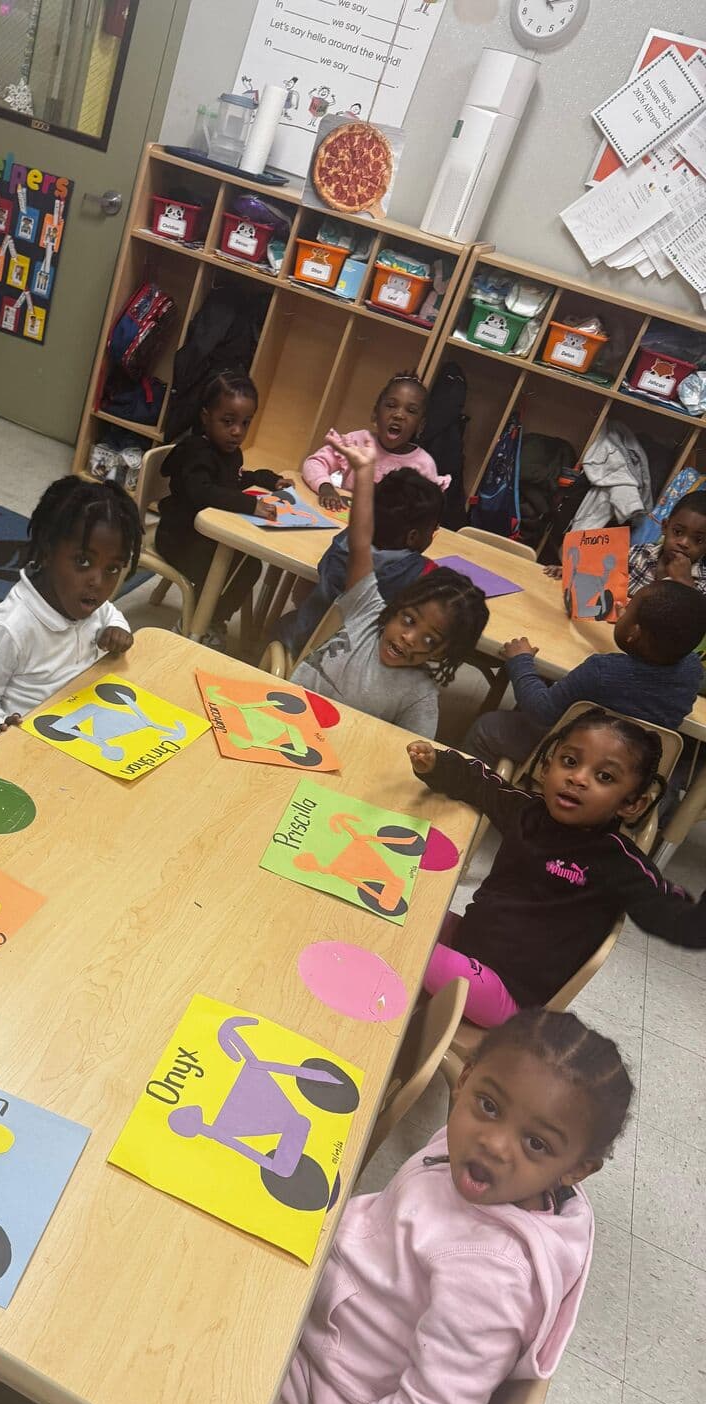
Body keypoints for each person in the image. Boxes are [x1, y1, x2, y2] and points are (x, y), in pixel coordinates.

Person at [248, 1009, 627, 1404]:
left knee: (186, 1314)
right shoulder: (472, 1160)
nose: (494, 1143)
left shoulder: (489, 1277)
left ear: (576, 1169)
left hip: (331, 1382)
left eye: (536, 1144)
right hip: (325, 1304)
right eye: (489, 1106)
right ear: (465, 1078)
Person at [409, 708, 706, 1025]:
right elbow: (483, 786)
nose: (578, 778)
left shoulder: (618, 862)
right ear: (546, 767)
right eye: (570, 761)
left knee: (410, 951)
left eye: (604, 777)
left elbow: (676, 919)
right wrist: (438, 766)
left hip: (508, 995)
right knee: (400, 915)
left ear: (631, 804)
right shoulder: (526, 812)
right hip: (468, 943)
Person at [289, 434, 488, 738]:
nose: (409, 638)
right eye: (408, 620)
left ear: (444, 651)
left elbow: (409, 754)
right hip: (287, 716)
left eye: (430, 640)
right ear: (396, 608)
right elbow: (360, 541)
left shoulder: (420, 695)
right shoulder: (367, 609)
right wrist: (366, 474)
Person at [0, 475, 141, 742]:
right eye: (83, 561)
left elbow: (110, 613)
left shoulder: (91, 604)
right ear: (47, 552)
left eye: (112, 569)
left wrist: (118, 628)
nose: (98, 583)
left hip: (81, 728)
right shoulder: (8, 628)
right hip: (21, 747)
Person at [466, 579, 706, 766]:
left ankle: (467, 793)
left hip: (570, 755)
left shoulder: (601, 671)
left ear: (634, 633)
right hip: (632, 766)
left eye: (629, 609)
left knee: (486, 727)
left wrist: (520, 661)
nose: (622, 610)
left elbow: (540, 710)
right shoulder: (692, 670)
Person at [154, 368, 292, 639]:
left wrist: (268, 480)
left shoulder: (229, 452)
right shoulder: (197, 452)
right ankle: (196, 623)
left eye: (245, 423)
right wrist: (249, 505)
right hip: (178, 538)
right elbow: (203, 491)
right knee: (227, 566)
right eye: (228, 421)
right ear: (206, 418)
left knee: (250, 565)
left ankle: (213, 618)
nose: (237, 431)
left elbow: (236, 479)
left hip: (204, 537)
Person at [276, 466, 444, 656]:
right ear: (412, 537)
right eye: (432, 530)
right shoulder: (421, 573)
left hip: (302, 643)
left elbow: (323, 566)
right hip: (357, 663)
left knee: (287, 621)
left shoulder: (343, 543)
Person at [301, 371, 449, 515]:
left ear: (421, 425)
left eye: (411, 411)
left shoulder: (424, 465)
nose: (399, 415)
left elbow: (428, 511)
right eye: (391, 406)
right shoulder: (356, 442)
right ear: (375, 414)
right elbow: (314, 463)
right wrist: (325, 487)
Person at [626, 488, 706, 596]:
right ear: (665, 527)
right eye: (677, 532)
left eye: (698, 540)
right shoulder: (639, 553)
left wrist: (685, 583)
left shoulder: (702, 584)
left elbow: (697, 612)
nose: (683, 543)